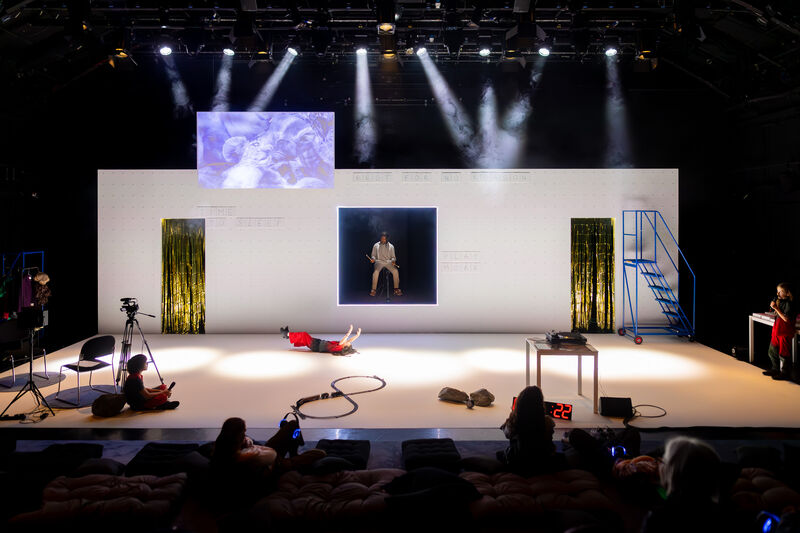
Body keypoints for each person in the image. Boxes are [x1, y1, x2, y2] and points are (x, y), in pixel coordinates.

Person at [641, 436, 739, 533]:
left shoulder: (660, 517)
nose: (660, 466)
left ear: (674, 472)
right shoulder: (727, 513)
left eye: (663, 461)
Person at [497, 385, 564, 475]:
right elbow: (550, 435)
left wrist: (510, 417)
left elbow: (507, 433)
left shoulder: (513, 423)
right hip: (543, 460)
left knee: (500, 454)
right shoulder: (547, 421)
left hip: (519, 461)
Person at [763, 282, 797, 380]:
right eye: (777, 292)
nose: (777, 294)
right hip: (777, 330)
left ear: (787, 293)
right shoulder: (780, 301)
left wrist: (776, 308)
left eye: (780, 292)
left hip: (785, 332)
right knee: (772, 351)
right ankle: (775, 369)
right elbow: (778, 313)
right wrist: (774, 308)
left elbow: (786, 319)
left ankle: (785, 373)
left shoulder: (790, 304)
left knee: (784, 354)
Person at [281, 324, 361, 355]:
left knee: (304, 335)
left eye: (347, 343)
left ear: (345, 346)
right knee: (304, 337)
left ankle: (287, 334)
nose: (348, 342)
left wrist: (349, 331)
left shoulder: (339, 347)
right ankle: (288, 335)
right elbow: (349, 340)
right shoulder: (341, 346)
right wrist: (357, 335)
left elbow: (346, 338)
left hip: (316, 346)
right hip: (318, 343)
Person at [369, 231, 402, 297]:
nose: (382, 240)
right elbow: (373, 255)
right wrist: (373, 259)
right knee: (375, 272)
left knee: (395, 271)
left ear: (387, 239)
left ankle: (396, 289)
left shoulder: (391, 246)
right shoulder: (376, 245)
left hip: (388, 262)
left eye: (384, 239)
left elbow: (393, 257)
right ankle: (373, 290)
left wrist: (393, 261)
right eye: (381, 238)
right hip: (379, 262)